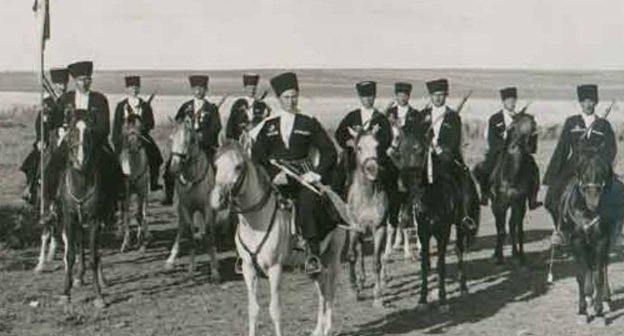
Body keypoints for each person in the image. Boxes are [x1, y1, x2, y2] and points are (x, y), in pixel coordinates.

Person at [251, 72, 338, 275]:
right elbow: (258, 156)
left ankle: (313, 254)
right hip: (276, 179)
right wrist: (273, 174)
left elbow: (329, 151)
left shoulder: (308, 122)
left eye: (294, 96)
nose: (290, 101)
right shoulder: (268, 125)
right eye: (286, 97)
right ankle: (249, 252)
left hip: (303, 178)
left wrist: (316, 174)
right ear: (279, 99)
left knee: (308, 202)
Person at [544, 84, 617, 245]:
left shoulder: (604, 125)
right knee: (551, 197)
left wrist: (602, 163)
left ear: (596, 103)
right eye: (584, 101)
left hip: (597, 168)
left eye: (591, 101)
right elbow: (562, 148)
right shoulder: (572, 122)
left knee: (617, 192)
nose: (588, 104)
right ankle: (559, 229)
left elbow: (612, 148)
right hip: (574, 166)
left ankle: (615, 229)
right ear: (580, 103)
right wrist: (551, 175)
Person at [57, 60, 124, 202]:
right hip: (70, 143)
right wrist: (62, 131)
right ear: (75, 81)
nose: (85, 82)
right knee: (52, 162)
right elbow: (55, 122)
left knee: (112, 163)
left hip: (94, 144)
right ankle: (51, 201)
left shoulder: (99, 99)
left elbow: (104, 127)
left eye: (88, 79)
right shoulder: (65, 99)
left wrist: (89, 134)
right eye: (81, 79)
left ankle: (114, 201)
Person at [418, 78, 478, 229]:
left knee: (465, 180)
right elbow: (417, 136)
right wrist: (426, 147)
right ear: (430, 96)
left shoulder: (453, 117)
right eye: (435, 95)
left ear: (445, 96)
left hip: (447, 157)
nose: (438, 98)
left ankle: (465, 216)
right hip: (424, 156)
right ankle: (404, 214)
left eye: (441, 94)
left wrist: (441, 149)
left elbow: (455, 139)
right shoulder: (421, 115)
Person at [473, 87, 542, 209]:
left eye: (513, 100)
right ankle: (484, 195)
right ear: (503, 102)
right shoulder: (495, 119)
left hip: (519, 152)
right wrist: (505, 141)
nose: (511, 103)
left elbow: (528, 138)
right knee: (481, 169)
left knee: (534, 169)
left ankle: (532, 199)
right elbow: (491, 139)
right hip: (499, 152)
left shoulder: (522, 118)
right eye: (508, 100)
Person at [162, 75, 222, 205]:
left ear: (206, 90)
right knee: (169, 168)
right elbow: (178, 123)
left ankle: (218, 194)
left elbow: (216, 127)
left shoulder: (211, 108)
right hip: (186, 146)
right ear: (192, 90)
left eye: (201, 88)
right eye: (196, 88)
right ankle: (169, 196)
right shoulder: (185, 107)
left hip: (205, 145)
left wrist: (202, 136)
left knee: (216, 166)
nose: (198, 91)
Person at [334, 81, 394, 198]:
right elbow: (339, 133)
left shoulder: (381, 118)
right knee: (339, 173)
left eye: (370, 96)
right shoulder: (352, 116)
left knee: (391, 173)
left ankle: (392, 208)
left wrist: (375, 146)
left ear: (374, 97)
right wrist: (349, 142)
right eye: (364, 97)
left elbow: (387, 137)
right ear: (360, 98)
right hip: (354, 154)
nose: (367, 99)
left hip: (376, 155)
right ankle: (338, 201)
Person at [20, 67, 68, 204]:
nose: (62, 87)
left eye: (64, 83)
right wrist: (41, 139)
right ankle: (31, 188)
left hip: (69, 136)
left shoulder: (70, 99)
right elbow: (41, 123)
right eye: (59, 84)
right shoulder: (48, 103)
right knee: (39, 159)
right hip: (51, 137)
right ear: (54, 85)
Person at [112, 75, 163, 191]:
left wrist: (142, 126)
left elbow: (151, 123)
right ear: (127, 89)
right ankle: (117, 186)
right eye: (131, 87)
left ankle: (153, 182)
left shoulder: (145, 105)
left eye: (136, 87)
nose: (134, 90)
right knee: (114, 161)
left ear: (139, 89)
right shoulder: (121, 106)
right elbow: (116, 125)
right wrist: (117, 142)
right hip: (125, 138)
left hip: (142, 137)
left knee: (157, 157)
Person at [385, 82, 420, 246]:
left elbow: (417, 138)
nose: (402, 98)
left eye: (405, 95)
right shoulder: (388, 113)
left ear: (408, 96)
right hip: (390, 157)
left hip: (408, 160)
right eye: (399, 95)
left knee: (409, 194)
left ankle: (406, 229)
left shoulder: (416, 115)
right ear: (396, 96)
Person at [226, 73, 270, 140]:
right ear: (244, 88)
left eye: (254, 88)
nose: (252, 90)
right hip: (239, 139)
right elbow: (231, 123)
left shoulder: (261, 105)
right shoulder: (238, 103)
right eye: (249, 88)